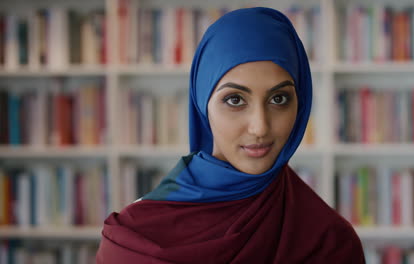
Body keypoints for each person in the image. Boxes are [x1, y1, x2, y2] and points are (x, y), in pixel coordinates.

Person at [96, 7, 365, 263]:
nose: (260, 127)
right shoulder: (132, 238)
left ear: (301, 103)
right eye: (235, 100)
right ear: (203, 104)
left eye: (279, 98)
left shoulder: (329, 241)